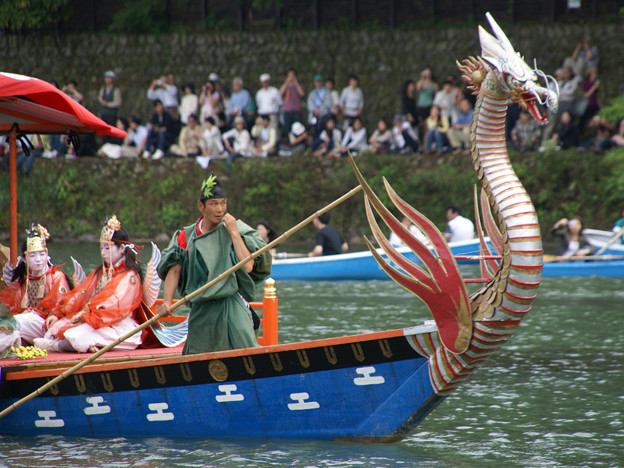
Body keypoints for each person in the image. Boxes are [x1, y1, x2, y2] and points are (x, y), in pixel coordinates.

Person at [157, 173, 272, 354]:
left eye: (223, 203)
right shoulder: (186, 236)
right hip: (202, 306)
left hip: (231, 302)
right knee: (196, 358)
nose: (220, 209)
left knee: (248, 352)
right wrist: (168, 302)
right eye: (214, 204)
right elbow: (175, 271)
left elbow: (248, 266)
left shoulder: (234, 228)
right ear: (201, 206)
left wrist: (234, 232)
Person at [35, 216, 145, 353]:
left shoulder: (129, 276)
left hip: (119, 325)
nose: (103, 253)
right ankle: (88, 345)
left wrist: (86, 314)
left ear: (122, 248)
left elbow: (114, 303)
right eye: (102, 248)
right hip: (94, 319)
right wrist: (58, 313)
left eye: (107, 248)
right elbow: (81, 294)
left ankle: (57, 347)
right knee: (54, 330)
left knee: (77, 335)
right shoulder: (101, 272)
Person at [0, 224, 71, 346]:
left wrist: (32, 312)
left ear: (47, 255)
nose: (38, 259)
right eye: (33, 255)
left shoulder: (57, 277)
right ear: (24, 259)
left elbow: (62, 308)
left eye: (42, 254)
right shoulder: (23, 281)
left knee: (13, 323)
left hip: (47, 326)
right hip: (25, 323)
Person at [279, 68, 304, 137]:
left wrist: (296, 83)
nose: (291, 77)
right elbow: (280, 93)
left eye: (292, 76)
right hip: (287, 110)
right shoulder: (285, 86)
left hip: (296, 110)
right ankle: (289, 143)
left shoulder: (299, 85)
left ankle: (298, 142)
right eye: (290, 76)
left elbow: (302, 94)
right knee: (287, 128)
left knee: (297, 127)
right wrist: (286, 82)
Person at [415, 66, 439, 134]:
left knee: (428, 126)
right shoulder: (420, 82)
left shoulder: (434, 84)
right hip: (421, 106)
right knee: (421, 125)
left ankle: (427, 143)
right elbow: (417, 89)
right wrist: (423, 78)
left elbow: (437, 96)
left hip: (429, 106)